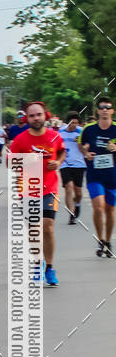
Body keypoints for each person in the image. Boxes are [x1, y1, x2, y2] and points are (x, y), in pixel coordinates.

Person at [8, 100, 66, 286]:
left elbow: (62, 152)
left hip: (50, 188)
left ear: (45, 115)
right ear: (27, 118)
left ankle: (50, 268)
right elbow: (10, 163)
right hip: (28, 190)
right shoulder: (21, 140)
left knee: (48, 226)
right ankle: (36, 264)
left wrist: (58, 163)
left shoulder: (54, 137)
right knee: (34, 230)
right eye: (32, 116)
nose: (35, 118)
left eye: (38, 114)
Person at [80, 96, 116, 257]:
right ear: (98, 110)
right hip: (95, 174)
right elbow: (81, 145)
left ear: (112, 111)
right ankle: (100, 239)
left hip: (112, 175)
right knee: (98, 206)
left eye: (108, 107)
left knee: (110, 210)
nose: (105, 109)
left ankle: (108, 241)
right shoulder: (89, 129)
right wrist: (86, 153)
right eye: (102, 107)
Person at [58, 112, 86, 224]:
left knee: (78, 192)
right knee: (69, 187)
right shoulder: (60, 132)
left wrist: (81, 142)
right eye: (72, 122)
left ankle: (77, 204)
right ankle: (71, 214)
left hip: (79, 164)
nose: (74, 125)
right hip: (65, 163)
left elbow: (88, 144)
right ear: (67, 122)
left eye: (76, 123)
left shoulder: (82, 132)